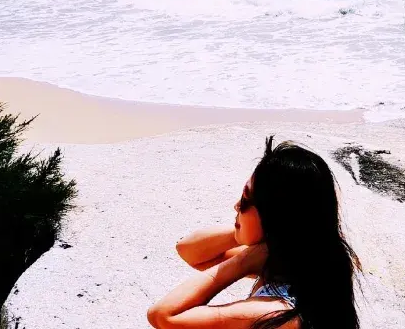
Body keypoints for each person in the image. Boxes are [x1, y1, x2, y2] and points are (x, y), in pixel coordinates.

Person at [147, 136, 361, 329]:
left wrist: (243, 261)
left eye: (245, 200)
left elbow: (164, 316)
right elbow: (188, 250)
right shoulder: (312, 263)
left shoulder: (277, 315)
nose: (236, 206)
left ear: (273, 217)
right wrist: (244, 236)